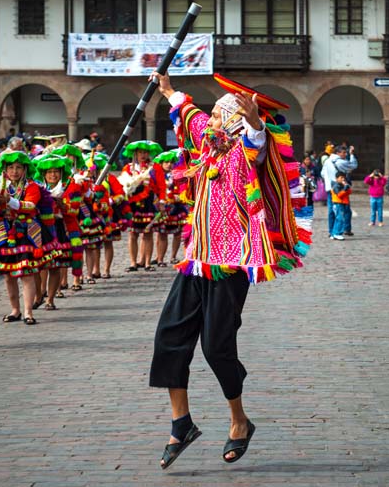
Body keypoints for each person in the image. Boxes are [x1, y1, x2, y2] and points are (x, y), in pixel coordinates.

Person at [148, 71, 311, 468]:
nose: (215, 118)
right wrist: (167, 88)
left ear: (235, 122)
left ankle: (239, 422)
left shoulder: (243, 152)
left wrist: (254, 120)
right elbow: (188, 113)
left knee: (216, 347)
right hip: (196, 259)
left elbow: (258, 139)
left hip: (232, 263)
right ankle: (180, 422)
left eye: (223, 114)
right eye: (217, 114)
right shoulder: (208, 144)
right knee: (169, 338)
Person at [0, 150, 55, 326]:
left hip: (28, 232)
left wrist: (8, 201)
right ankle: (15, 310)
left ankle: (28, 311)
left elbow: (29, 205)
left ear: (25, 169)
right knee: (8, 275)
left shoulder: (31, 186)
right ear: (4, 169)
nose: (14, 171)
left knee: (26, 273)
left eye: (19, 167)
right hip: (5, 232)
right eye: (10, 167)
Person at [32, 152, 83, 311]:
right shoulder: (37, 188)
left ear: (61, 173)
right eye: (49, 172)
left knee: (55, 265)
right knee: (39, 265)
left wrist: (63, 206)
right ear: (44, 174)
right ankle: (39, 293)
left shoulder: (71, 187)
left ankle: (51, 298)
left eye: (56, 172)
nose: (52, 175)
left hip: (59, 227)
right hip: (41, 229)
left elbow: (75, 211)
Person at [120, 140, 166, 271]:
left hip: (149, 203)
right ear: (135, 153)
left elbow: (162, 186)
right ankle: (133, 262)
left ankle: (147, 262)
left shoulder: (155, 167)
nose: (143, 155)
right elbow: (122, 186)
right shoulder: (128, 168)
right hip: (132, 204)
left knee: (147, 233)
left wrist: (162, 201)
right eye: (140, 152)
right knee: (133, 234)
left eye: (145, 152)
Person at [153, 149, 189, 266]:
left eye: (171, 162)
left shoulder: (178, 175)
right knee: (161, 233)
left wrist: (180, 195)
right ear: (161, 163)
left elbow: (183, 188)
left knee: (177, 233)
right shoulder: (157, 176)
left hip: (177, 207)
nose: (169, 165)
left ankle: (173, 256)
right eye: (166, 162)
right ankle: (160, 258)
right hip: (163, 208)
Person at [320, 144, 357, 239]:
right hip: (340, 188)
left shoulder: (328, 161)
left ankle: (332, 231)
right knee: (344, 211)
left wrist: (329, 181)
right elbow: (353, 165)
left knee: (332, 210)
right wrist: (352, 155)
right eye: (343, 152)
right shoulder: (340, 162)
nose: (345, 154)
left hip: (329, 188)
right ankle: (342, 230)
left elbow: (322, 173)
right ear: (338, 153)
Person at [330, 172, 351, 240]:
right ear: (337, 178)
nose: (343, 179)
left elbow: (348, 193)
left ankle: (334, 233)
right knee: (340, 219)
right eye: (341, 177)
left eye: (343, 177)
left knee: (338, 219)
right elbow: (339, 195)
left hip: (342, 203)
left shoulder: (341, 185)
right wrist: (345, 188)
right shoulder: (336, 186)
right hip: (338, 203)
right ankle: (337, 233)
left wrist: (347, 187)